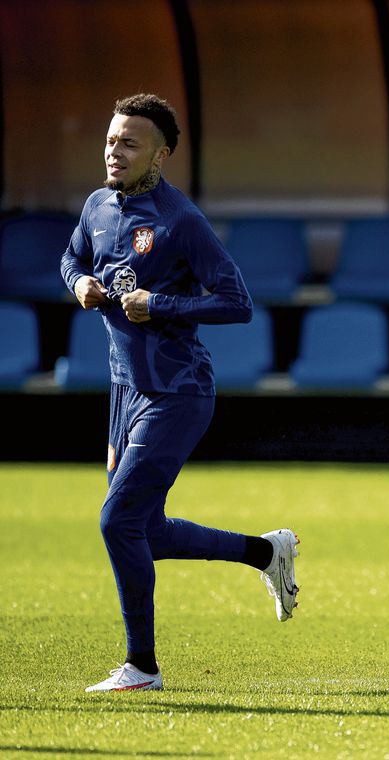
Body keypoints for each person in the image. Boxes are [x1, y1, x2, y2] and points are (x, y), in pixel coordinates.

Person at [60, 94, 300, 692]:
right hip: (124, 393)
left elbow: (236, 303)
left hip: (177, 390)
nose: (115, 151)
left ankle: (141, 667)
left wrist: (159, 303)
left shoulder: (181, 221)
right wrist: (81, 282)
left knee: (118, 522)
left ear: (161, 155)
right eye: (112, 139)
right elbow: (70, 258)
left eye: (130, 143)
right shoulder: (96, 206)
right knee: (146, 527)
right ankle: (265, 553)